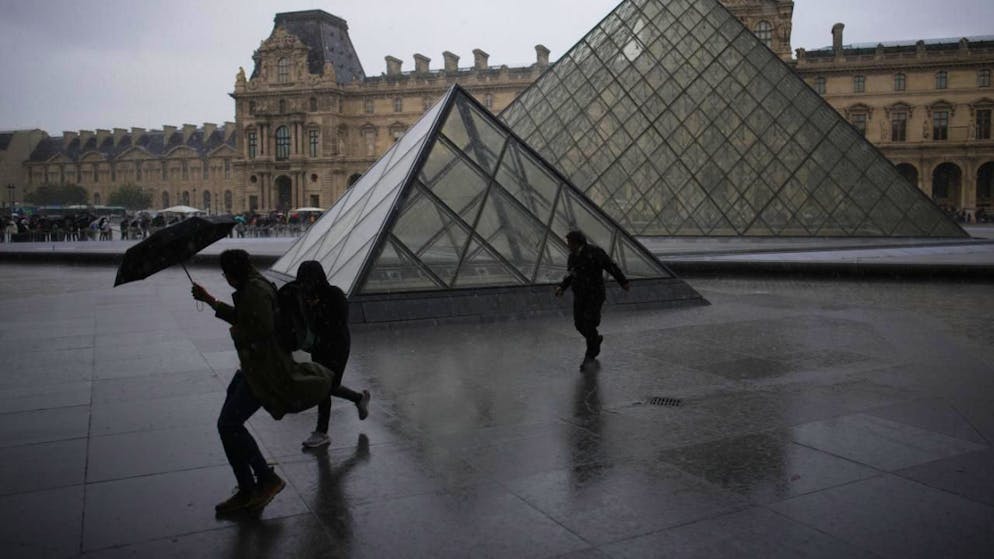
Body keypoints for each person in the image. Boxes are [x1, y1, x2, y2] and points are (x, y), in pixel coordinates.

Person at [192, 249, 333, 515]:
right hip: (253, 368)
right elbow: (248, 318)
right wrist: (210, 301)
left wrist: (237, 332)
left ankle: (264, 481)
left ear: (231, 273)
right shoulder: (253, 285)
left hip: (264, 371)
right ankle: (248, 486)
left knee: (229, 424)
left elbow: (261, 329)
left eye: (225, 274)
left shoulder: (255, 291)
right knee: (228, 424)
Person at [295, 260, 371, 449]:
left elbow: (338, 323)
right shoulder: (305, 297)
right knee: (326, 385)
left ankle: (322, 432)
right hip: (319, 347)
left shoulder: (334, 294)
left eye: (307, 280)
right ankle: (358, 399)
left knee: (326, 386)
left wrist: (318, 309)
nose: (305, 285)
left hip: (337, 346)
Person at [554, 230, 630, 371]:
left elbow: (610, 266)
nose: (568, 245)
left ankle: (590, 354)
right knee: (579, 324)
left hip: (594, 294)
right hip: (580, 295)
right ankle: (595, 339)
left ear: (577, 242)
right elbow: (571, 274)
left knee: (589, 323)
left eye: (569, 242)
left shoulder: (595, 252)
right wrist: (562, 287)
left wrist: (623, 281)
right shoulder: (572, 257)